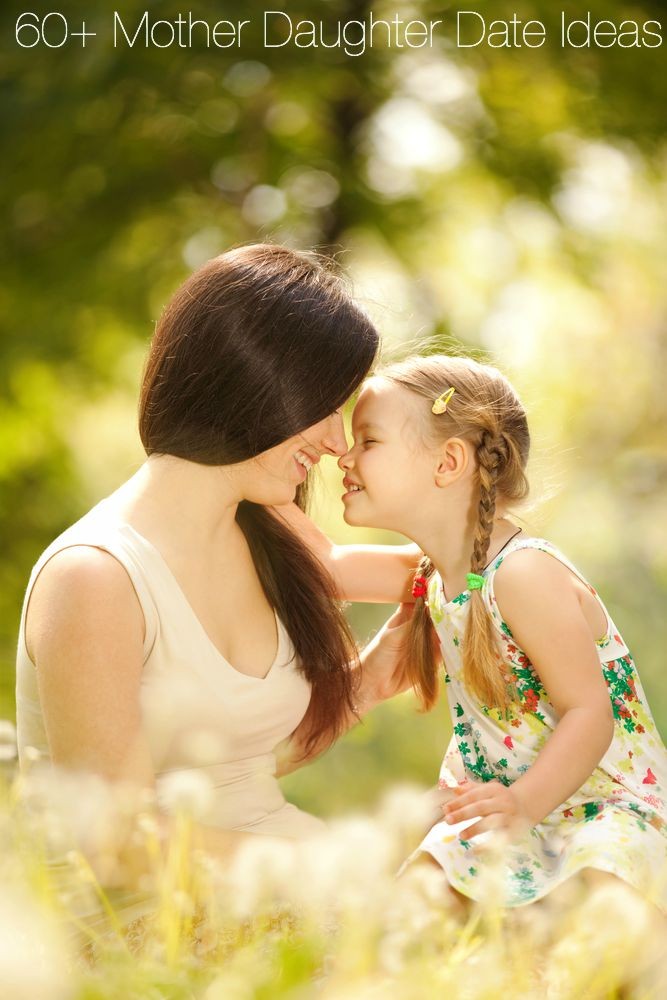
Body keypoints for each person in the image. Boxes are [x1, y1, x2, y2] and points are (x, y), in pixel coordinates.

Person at [15, 245, 418, 895]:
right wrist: (337, 865)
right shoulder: (93, 578)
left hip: (282, 897)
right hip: (150, 945)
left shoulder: (269, 531)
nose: (336, 443)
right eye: (323, 407)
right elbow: (119, 848)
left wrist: (369, 682)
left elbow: (239, 775)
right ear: (252, 385)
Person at [337, 352, 667, 913]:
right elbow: (318, 566)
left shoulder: (523, 574)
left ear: (448, 463)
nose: (342, 457)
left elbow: (590, 713)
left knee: (611, 907)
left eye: (366, 441)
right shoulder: (430, 576)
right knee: (411, 906)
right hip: (505, 809)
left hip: (601, 807)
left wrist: (522, 805)